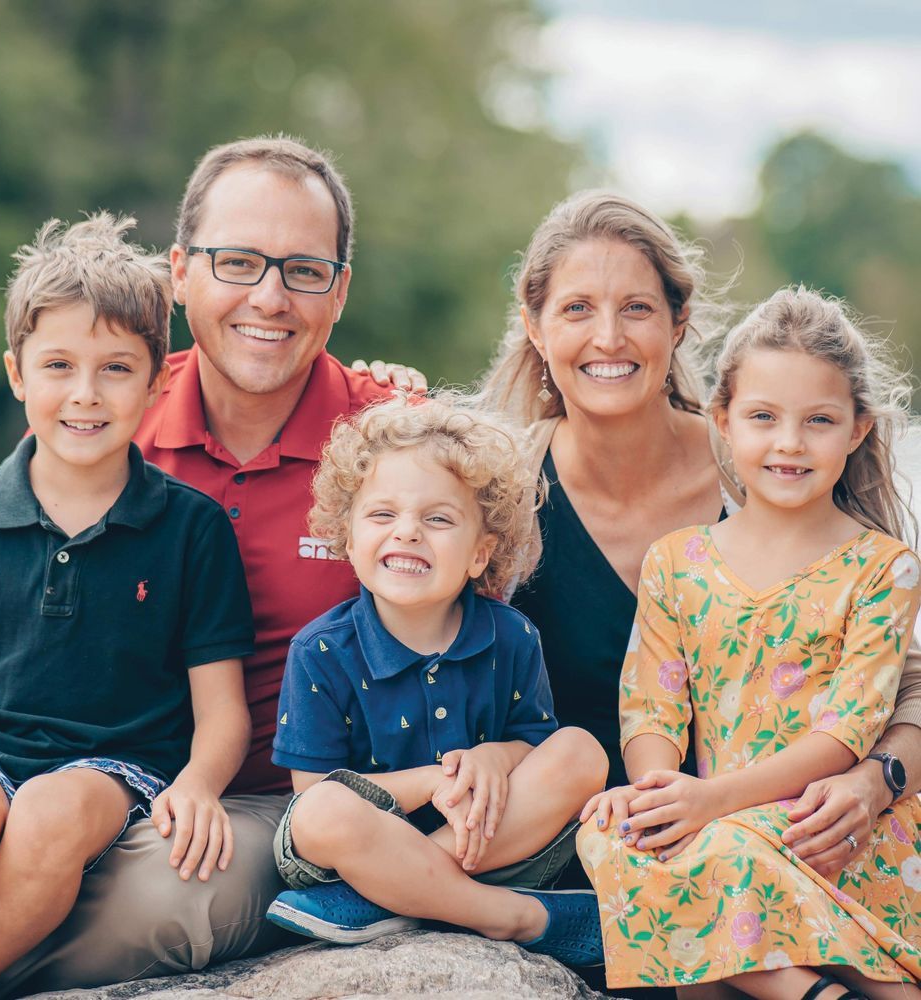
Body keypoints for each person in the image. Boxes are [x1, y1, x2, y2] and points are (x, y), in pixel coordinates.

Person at [0, 136, 422, 996]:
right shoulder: (104, 407)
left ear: (340, 290)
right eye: (238, 262)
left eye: (304, 270)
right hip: (31, 768)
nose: (270, 296)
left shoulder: (393, 441)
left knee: (157, 903)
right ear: (180, 271)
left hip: (257, 799)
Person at [481, 190, 921, 884]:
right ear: (534, 327)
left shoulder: (771, 462)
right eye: (575, 309)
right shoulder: (500, 495)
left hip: (784, 836)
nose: (609, 338)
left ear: (679, 322)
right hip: (595, 842)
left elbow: (902, 676)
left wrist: (877, 779)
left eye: (637, 308)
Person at [0, 214, 255, 1000]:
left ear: (156, 380)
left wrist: (200, 785)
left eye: (114, 368)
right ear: (17, 374)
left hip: (113, 768)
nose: (84, 394)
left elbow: (223, 713)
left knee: (48, 808)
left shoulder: (190, 528)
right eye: (59, 365)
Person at [578, 286, 921, 999]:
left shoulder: (882, 567)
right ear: (724, 420)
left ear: (857, 429)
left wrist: (711, 801)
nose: (789, 443)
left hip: (819, 823)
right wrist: (657, 794)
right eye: (763, 417)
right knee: (607, 835)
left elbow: (849, 730)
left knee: (718, 851)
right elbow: (651, 707)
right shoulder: (677, 561)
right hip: (714, 811)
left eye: (819, 421)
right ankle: (810, 989)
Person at [263, 393, 606, 964]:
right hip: (361, 847)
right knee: (324, 812)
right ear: (348, 540)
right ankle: (514, 916)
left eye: (438, 519)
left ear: (480, 553)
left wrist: (497, 758)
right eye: (382, 514)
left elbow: (536, 746)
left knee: (582, 753)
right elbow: (313, 791)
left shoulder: (511, 636)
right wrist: (431, 782)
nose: (407, 532)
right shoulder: (321, 650)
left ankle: (396, 897)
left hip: (490, 842)